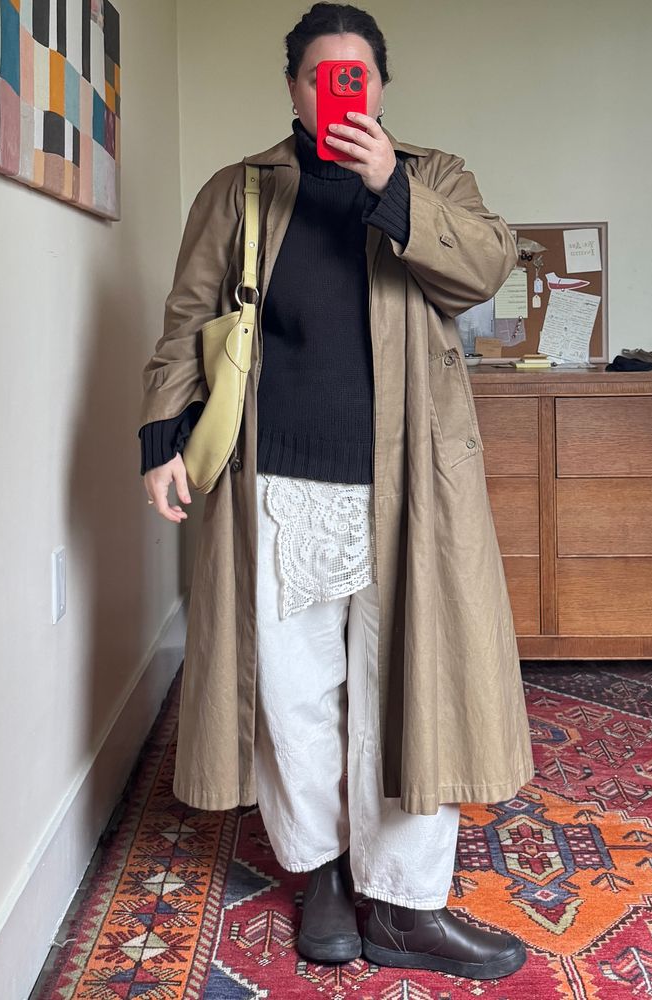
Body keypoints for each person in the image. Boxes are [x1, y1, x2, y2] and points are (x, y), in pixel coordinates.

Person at [138, 2, 535, 983]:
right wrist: (163, 439)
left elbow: (485, 269)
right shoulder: (240, 190)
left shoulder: (436, 176)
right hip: (276, 484)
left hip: (410, 491)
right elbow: (189, 320)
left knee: (410, 688)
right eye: (320, 76)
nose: (338, 92)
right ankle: (319, 872)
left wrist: (389, 184)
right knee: (295, 695)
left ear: (382, 87)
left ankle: (403, 902)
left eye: (356, 75)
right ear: (293, 88)